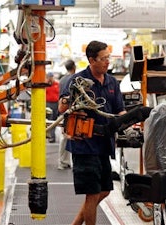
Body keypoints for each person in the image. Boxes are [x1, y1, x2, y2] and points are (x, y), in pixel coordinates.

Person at [58, 40, 126, 225]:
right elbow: (61, 108)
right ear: (91, 60)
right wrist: (71, 100)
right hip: (85, 144)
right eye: (103, 59)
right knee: (92, 193)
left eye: (108, 58)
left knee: (104, 191)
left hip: (104, 144)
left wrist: (128, 121)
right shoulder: (77, 81)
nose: (107, 62)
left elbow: (119, 109)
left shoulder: (112, 81)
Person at [57, 59, 76, 170]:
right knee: (67, 137)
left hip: (63, 110)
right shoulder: (73, 79)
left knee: (64, 137)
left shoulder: (62, 79)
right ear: (74, 66)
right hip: (71, 111)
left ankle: (64, 161)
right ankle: (63, 162)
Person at [46, 72, 60, 143]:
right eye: (49, 77)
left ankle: (52, 136)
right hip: (47, 104)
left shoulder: (57, 85)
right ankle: (50, 136)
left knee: (54, 121)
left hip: (55, 104)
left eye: (51, 77)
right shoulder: (45, 85)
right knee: (48, 121)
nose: (50, 79)